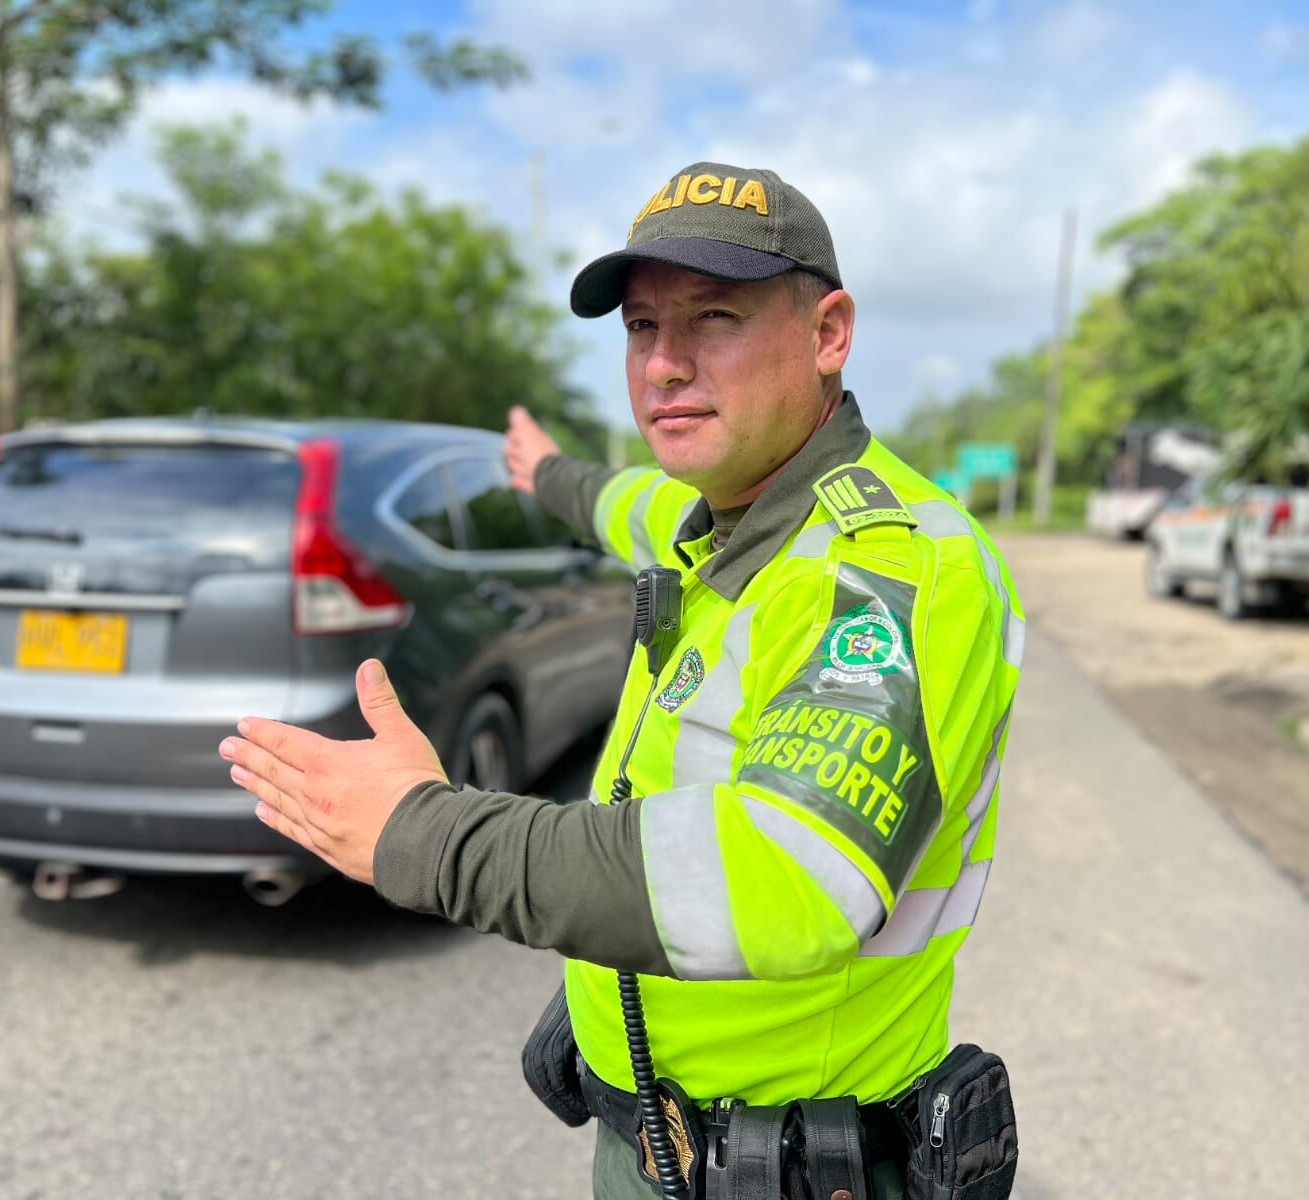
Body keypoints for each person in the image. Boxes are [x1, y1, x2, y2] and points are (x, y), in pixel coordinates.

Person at [220, 161, 1024, 1199]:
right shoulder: (715, 511)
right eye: (642, 328)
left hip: (794, 1163)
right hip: (665, 1125)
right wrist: (544, 471)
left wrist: (423, 833)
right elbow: (617, 503)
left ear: (827, 334)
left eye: (714, 318)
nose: (664, 367)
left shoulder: (895, 568)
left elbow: (786, 875)